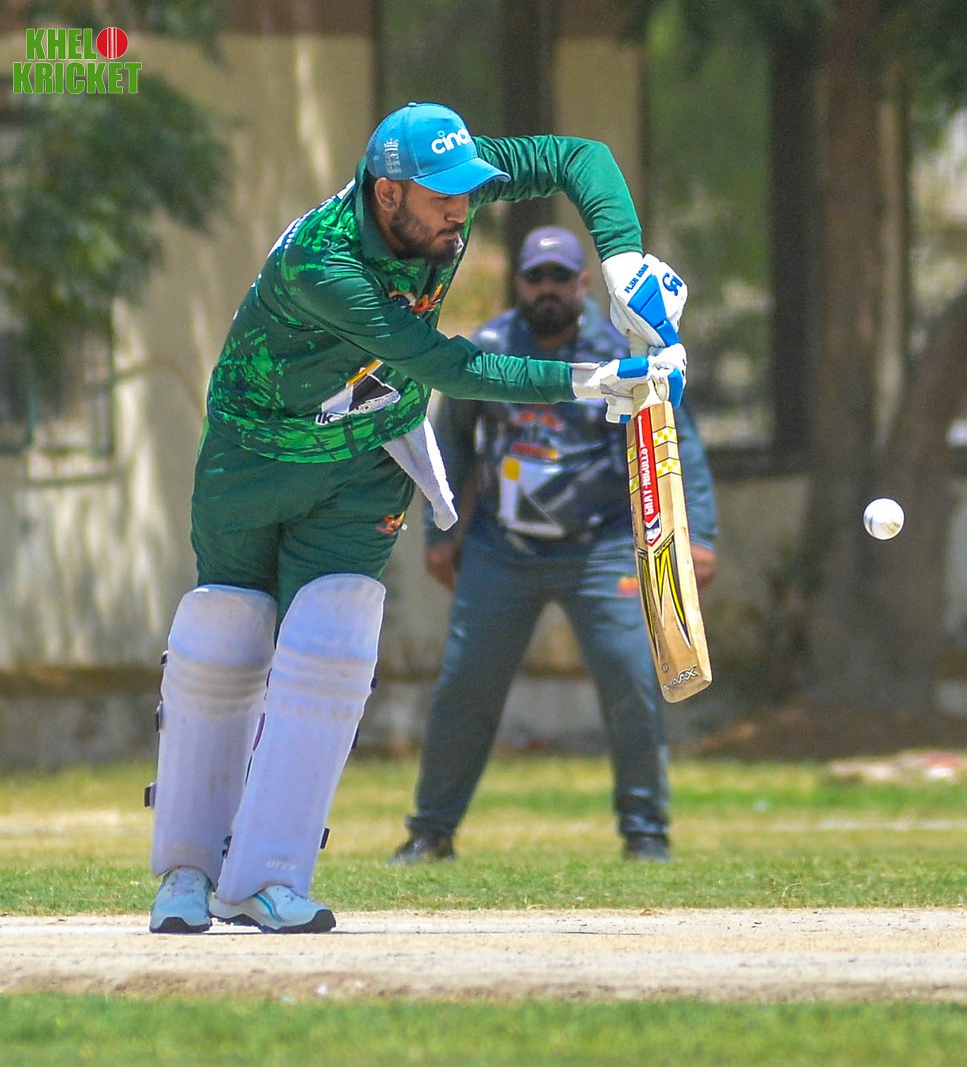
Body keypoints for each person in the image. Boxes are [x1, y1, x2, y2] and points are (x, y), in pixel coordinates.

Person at [146, 102, 693, 935]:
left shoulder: (446, 188)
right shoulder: (324, 263)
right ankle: (187, 869)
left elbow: (582, 155)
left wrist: (621, 266)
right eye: (442, 198)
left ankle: (266, 877)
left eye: (467, 192)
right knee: (226, 636)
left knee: (333, 641)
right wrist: (594, 380)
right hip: (255, 457)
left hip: (367, 457)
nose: (460, 212)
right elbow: (445, 363)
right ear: (388, 192)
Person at [390, 226, 718, 867]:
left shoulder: (624, 349)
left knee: (631, 677)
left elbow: (678, 439)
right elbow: (449, 445)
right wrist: (440, 531)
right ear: (519, 283)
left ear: (583, 283)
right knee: (465, 687)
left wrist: (697, 535)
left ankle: (645, 833)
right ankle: (431, 832)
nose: (547, 290)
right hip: (501, 549)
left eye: (560, 278)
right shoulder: (488, 349)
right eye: (536, 278)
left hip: (604, 546)